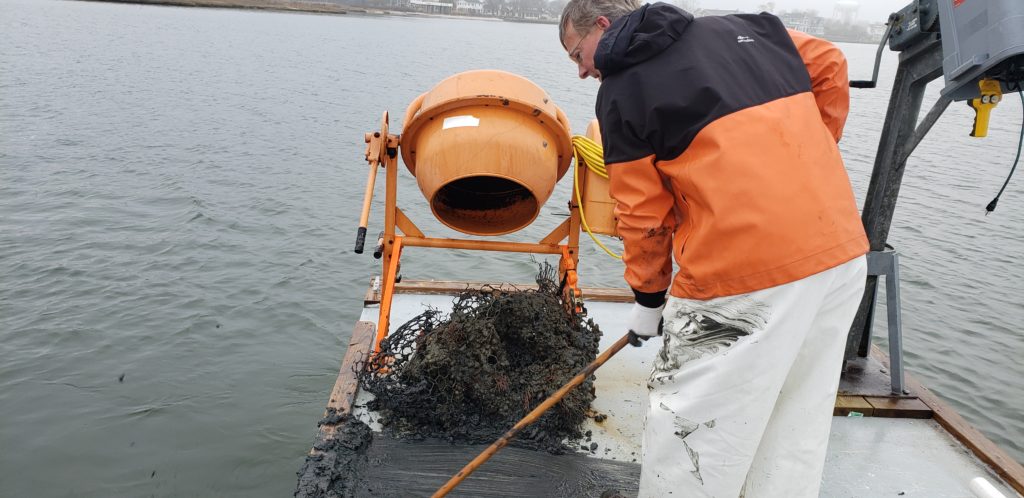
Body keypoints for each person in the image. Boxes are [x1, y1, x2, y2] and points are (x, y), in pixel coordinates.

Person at [559, 1, 870, 497]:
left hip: (742, 278)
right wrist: (808, 160)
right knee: (794, 423)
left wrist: (648, 300)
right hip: (839, 254)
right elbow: (831, 62)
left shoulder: (623, 91)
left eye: (577, 54)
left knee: (690, 429)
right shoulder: (752, 28)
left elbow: (643, 217)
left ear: (602, 25)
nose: (580, 71)